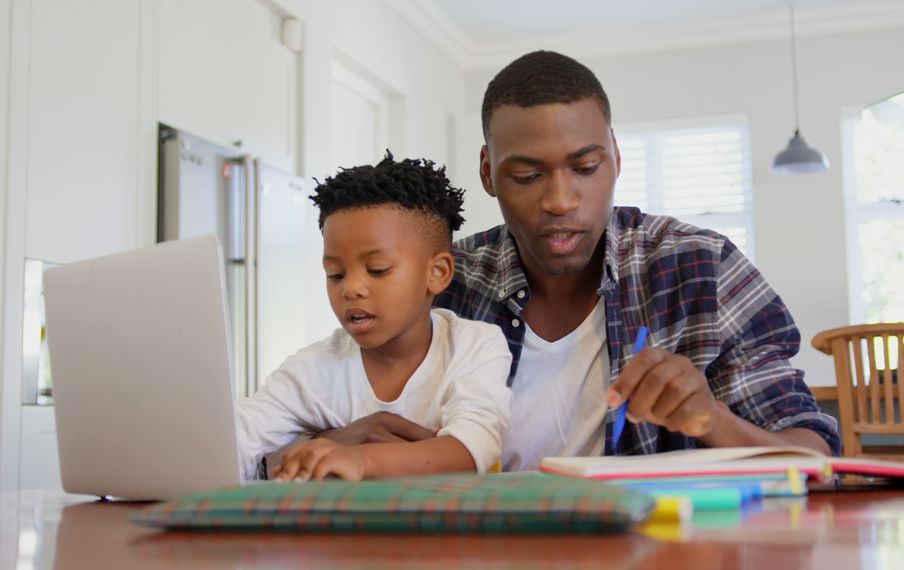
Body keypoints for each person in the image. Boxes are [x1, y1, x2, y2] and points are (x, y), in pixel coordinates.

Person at [432, 50, 839, 471]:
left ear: (616, 157)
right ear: (487, 172)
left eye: (586, 167)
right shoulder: (442, 284)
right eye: (527, 176)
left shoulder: (701, 267)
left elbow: (815, 457)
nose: (560, 201)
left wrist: (712, 420)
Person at [235, 152, 512, 481]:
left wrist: (360, 460)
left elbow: (473, 447)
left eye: (377, 270)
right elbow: (236, 439)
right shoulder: (311, 372)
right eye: (335, 274)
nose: (350, 289)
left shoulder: (475, 346)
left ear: (437, 272)